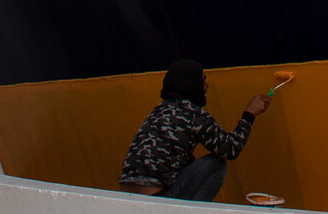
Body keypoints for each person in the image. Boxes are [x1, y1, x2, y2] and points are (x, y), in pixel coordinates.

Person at [117, 60, 278, 200]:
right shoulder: (193, 115)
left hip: (126, 197)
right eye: (203, 81)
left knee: (189, 160)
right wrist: (249, 114)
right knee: (216, 164)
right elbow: (230, 149)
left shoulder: (158, 111)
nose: (207, 88)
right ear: (192, 84)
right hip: (158, 199)